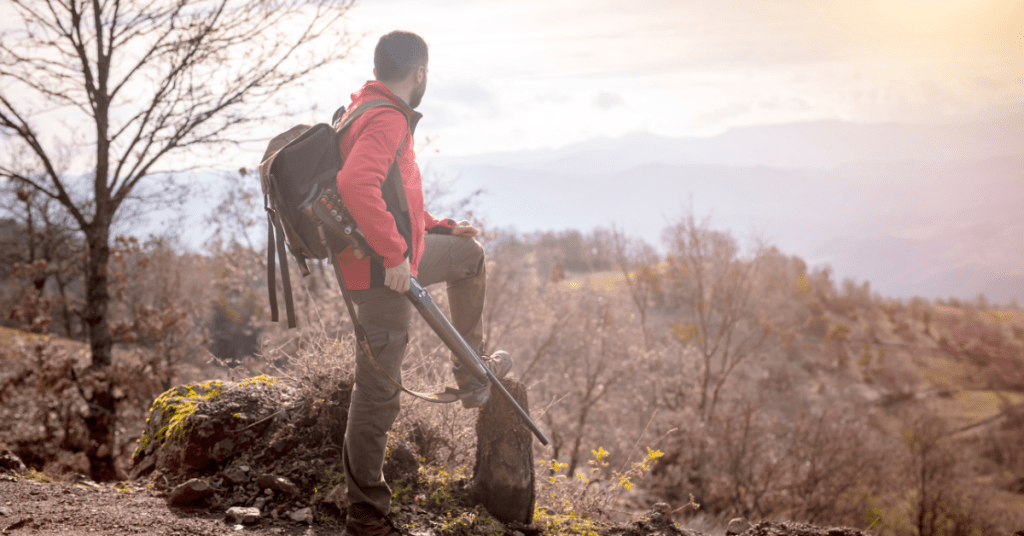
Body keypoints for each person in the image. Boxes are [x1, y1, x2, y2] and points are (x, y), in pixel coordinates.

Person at [334, 31, 509, 536]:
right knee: (378, 393)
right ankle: (366, 515)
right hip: (379, 270)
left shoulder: (366, 108)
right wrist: (394, 255)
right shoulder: (387, 117)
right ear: (420, 72)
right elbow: (354, 184)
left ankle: (471, 371)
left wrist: (439, 227)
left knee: (469, 256)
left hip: (392, 256)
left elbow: (396, 195)